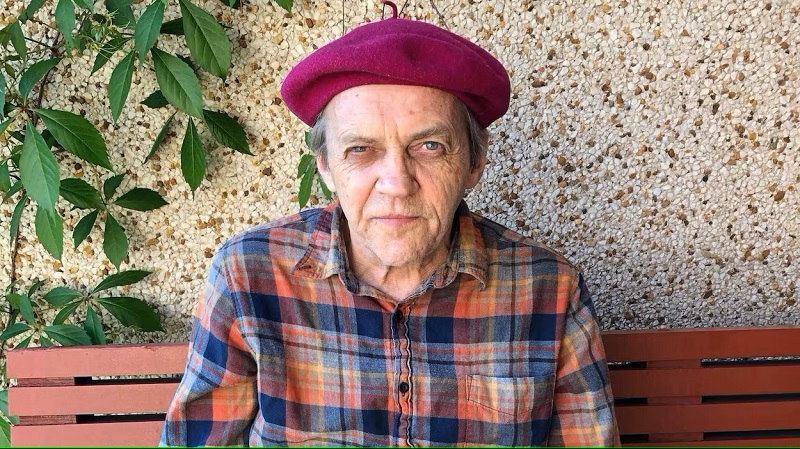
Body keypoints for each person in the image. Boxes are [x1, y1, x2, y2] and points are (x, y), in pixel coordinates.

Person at [160, 3, 619, 446]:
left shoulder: (550, 290)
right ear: (325, 166)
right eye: (361, 150)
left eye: (430, 146)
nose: (397, 184)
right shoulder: (248, 276)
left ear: (475, 161)